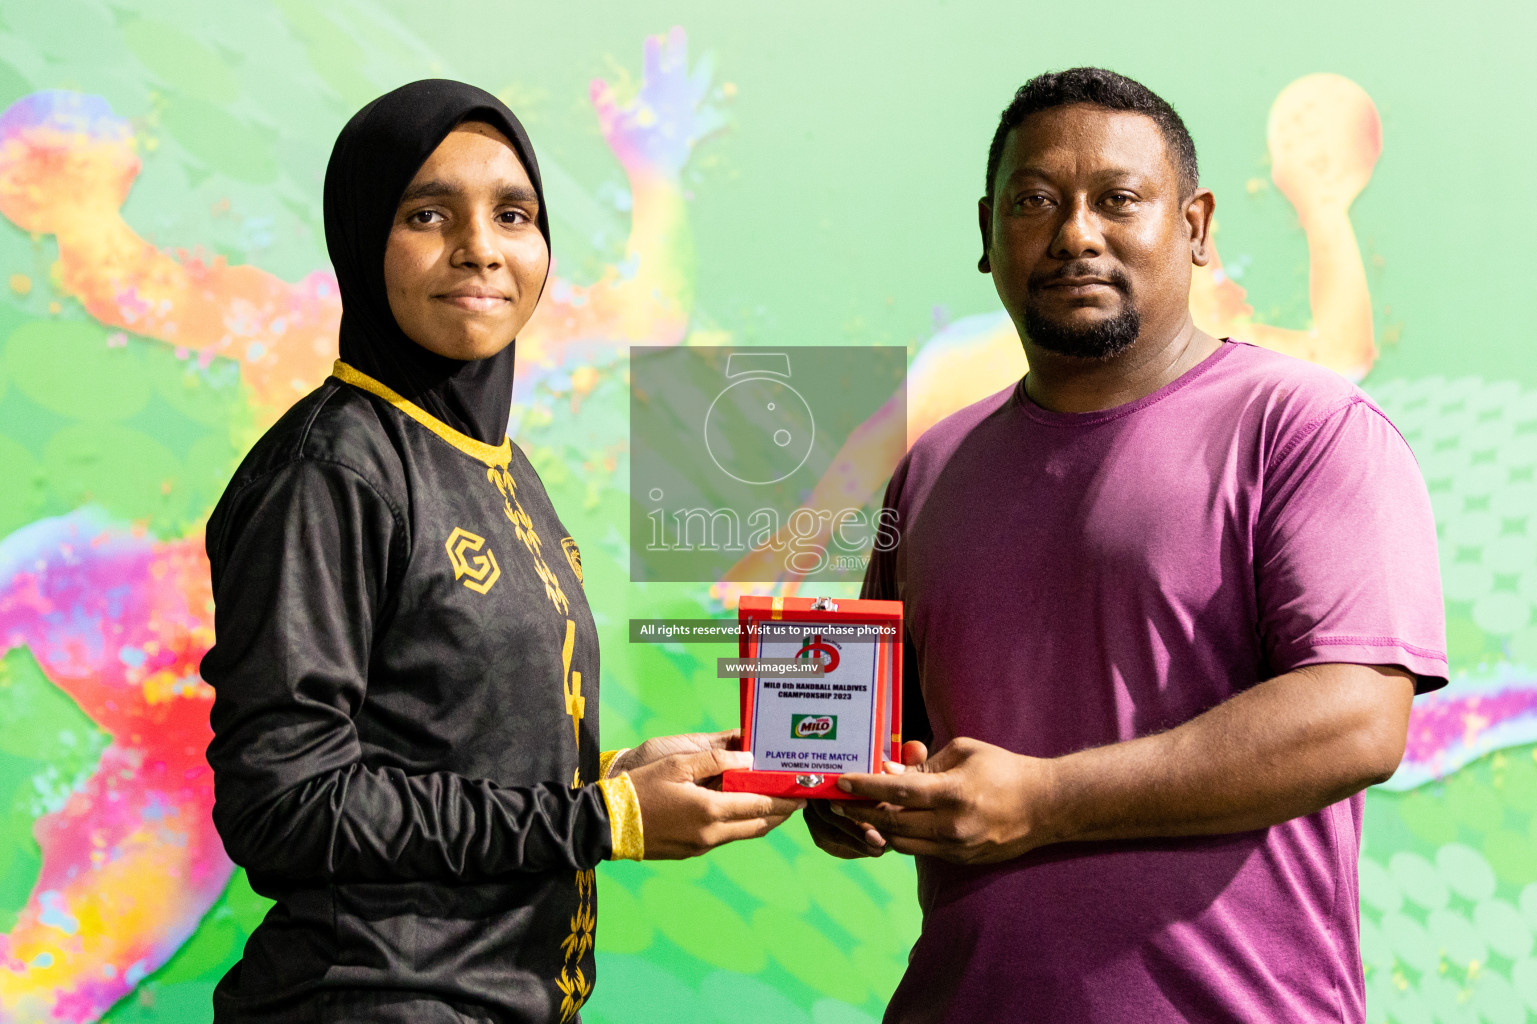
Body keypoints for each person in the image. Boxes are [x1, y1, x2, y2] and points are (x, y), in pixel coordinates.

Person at [806, 68, 1446, 1022]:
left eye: (1118, 200)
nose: (1074, 233)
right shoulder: (933, 464)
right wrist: (842, 789)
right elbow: (888, 737)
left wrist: (1046, 799)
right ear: (987, 233)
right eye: (1034, 202)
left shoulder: (1305, 426)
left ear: (1193, 227)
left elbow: (1356, 719)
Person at [200, 80, 801, 1024]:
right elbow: (286, 807)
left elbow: (436, 748)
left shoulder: (497, 463)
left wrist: (620, 782)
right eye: (428, 213)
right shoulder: (334, 469)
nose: (480, 246)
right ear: (363, 238)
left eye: (513, 214)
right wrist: (603, 820)